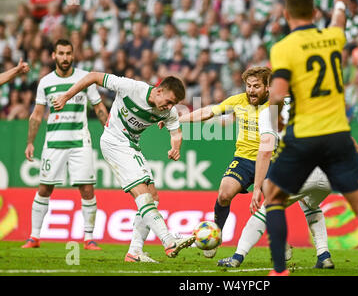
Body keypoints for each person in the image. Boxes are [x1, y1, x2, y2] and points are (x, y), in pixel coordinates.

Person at [264, 0, 358, 276]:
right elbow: (339, 21)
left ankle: (280, 270)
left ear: (285, 15)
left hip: (304, 135)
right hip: (337, 135)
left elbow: (276, 96)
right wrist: (340, 6)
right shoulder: (332, 38)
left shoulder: (283, 47)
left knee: (272, 197)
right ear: (314, 13)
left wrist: (275, 126)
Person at [52, 70, 195, 262]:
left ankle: (135, 251)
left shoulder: (168, 111)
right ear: (159, 90)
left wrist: (175, 147)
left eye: (173, 104)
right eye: (169, 101)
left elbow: (176, 132)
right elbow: (94, 76)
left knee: (153, 196)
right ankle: (169, 241)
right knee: (143, 195)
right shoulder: (131, 88)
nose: (169, 107)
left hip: (132, 146)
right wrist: (66, 96)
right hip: (114, 142)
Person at [217, 96, 335, 269]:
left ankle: (237, 256)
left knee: (266, 208)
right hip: (328, 173)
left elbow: (265, 152)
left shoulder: (268, 112)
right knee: (310, 205)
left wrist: (257, 187)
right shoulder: (309, 104)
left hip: (303, 170)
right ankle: (324, 256)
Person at [22, 39, 109, 250]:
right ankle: (34, 237)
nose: (65, 57)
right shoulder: (45, 82)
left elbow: (99, 108)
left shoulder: (84, 78)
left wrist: (109, 131)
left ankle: (88, 238)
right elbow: (37, 114)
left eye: (68, 53)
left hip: (80, 142)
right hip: (53, 143)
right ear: (54, 55)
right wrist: (30, 142)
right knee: (44, 188)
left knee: (87, 189)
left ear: (73, 54)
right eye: (60, 53)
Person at [177, 66, 271, 259]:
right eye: (249, 86)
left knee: (273, 202)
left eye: (256, 86)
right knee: (223, 194)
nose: (251, 90)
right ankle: (215, 235)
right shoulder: (238, 101)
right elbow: (208, 112)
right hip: (244, 159)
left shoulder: (277, 105)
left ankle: (281, 242)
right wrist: (181, 120)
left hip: (272, 160)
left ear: (267, 87)